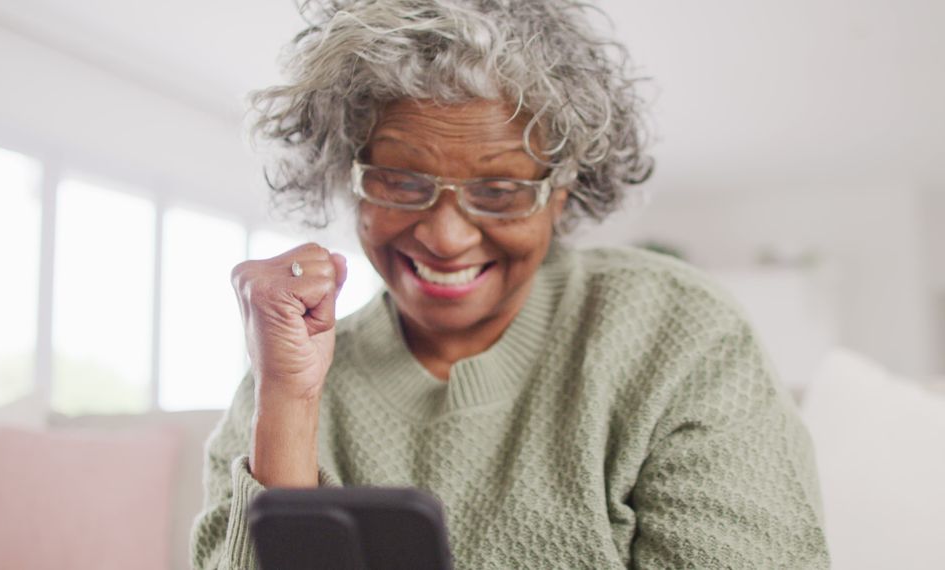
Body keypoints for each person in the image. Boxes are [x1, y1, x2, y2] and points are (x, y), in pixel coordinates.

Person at [191, 0, 829, 568]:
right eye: (402, 182)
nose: (446, 237)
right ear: (349, 173)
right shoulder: (286, 373)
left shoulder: (677, 335)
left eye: (499, 191)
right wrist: (289, 404)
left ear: (562, 191)